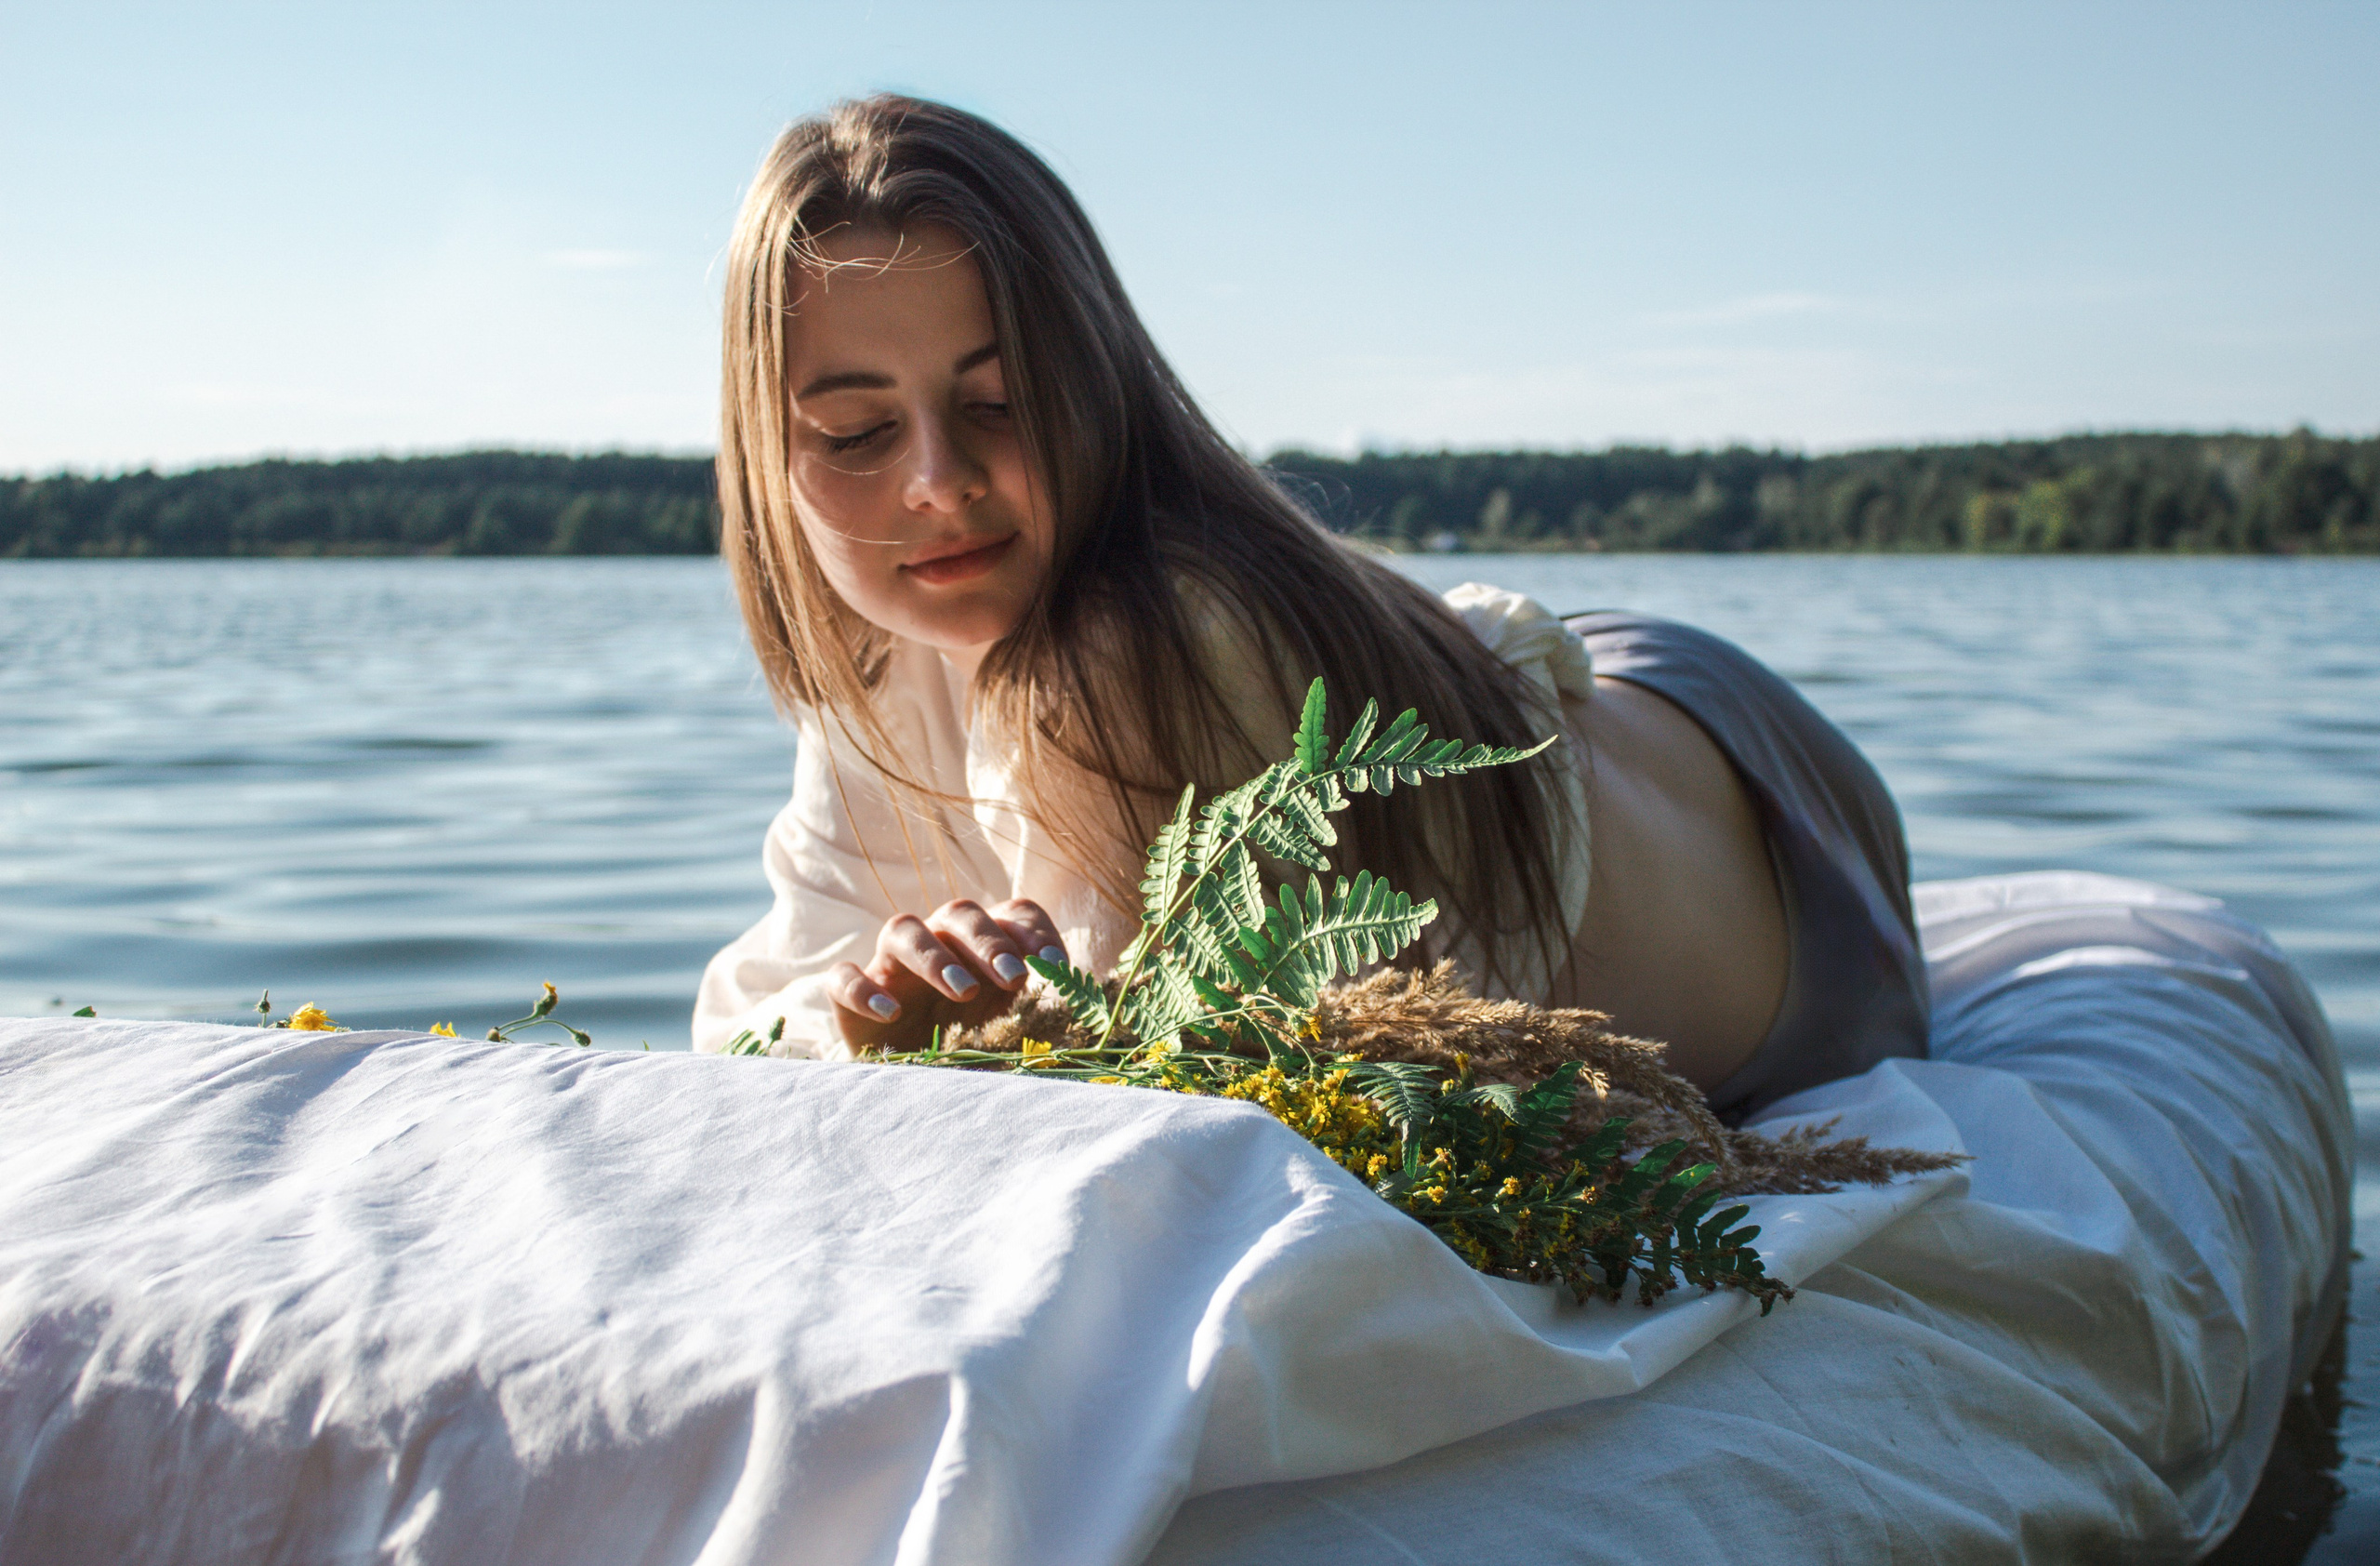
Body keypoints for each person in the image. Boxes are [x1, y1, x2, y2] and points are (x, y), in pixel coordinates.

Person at [694, 96, 1926, 1119]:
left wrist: (951, 1030)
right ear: (767, 455)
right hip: (1578, 703)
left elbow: (1119, 1118)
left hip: (1779, 837)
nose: (939, 483)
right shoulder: (880, 658)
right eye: (853, 432)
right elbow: (743, 1019)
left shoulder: (1145, 655)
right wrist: (862, 1011)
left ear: (1103, 386)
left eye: (1001, 401)